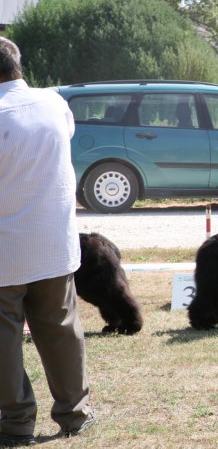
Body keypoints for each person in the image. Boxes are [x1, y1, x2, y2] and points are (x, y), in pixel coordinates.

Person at [0, 37, 98, 445]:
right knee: (61, 330)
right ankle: (74, 414)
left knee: (4, 342)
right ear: (18, 66)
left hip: (5, 249)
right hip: (54, 243)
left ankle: (16, 420)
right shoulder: (55, 102)